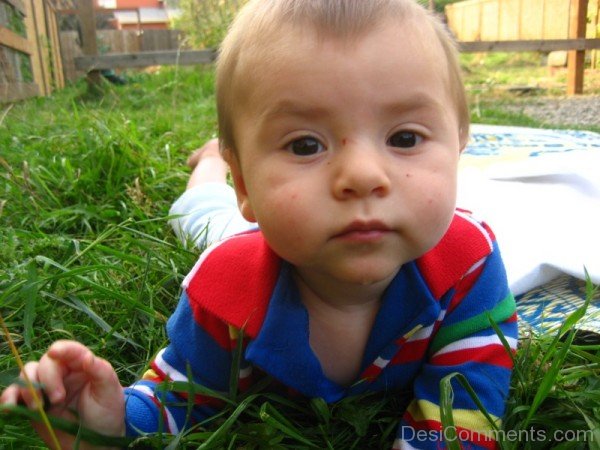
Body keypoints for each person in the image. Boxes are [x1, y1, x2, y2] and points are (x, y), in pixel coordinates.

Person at [0, 1, 518, 448]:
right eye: (305, 145)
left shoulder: (466, 263)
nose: (363, 175)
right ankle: (209, 165)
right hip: (238, 240)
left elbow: (466, 398)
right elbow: (178, 400)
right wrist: (114, 424)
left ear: (458, 147)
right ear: (247, 185)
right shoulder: (224, 292)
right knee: (202, 210)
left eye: (404, 138)